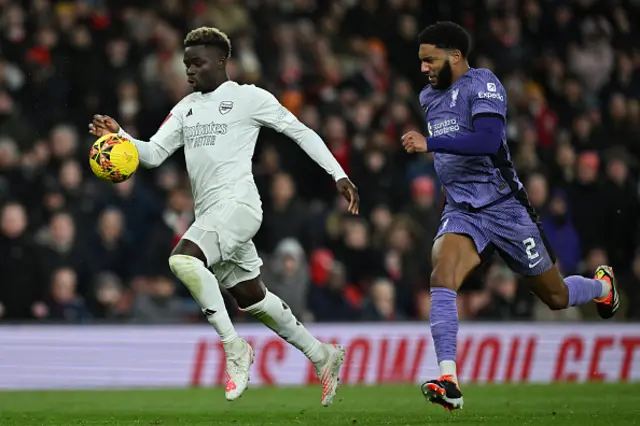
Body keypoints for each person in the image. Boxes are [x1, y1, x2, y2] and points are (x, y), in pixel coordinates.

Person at [89, 27, 360, 406]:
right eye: (186, 64)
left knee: (183, 258)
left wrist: (339, 174)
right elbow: (150, 155)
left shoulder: (247, 98)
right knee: (252, 298)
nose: (189, 71)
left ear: (221, 60)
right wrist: (122, 137)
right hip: (211, 216)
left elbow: (300, 131)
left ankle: (235, 348)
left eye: (197, 62)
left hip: (240, 207)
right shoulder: (185, 108)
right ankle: (322, 355)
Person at [401, 22, 619, 411]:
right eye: (421, 62)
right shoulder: (429, 97)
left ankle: (603, 287)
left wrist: (429, 142)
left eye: (429, 60)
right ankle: (449, 380)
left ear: (455, 55)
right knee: (442, 273)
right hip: (463, 211)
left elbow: (487, 140)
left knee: (556, 295)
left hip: (505, 207)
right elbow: (451, 160)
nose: (423, 69)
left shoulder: (483, 84)